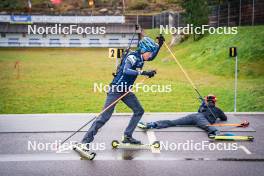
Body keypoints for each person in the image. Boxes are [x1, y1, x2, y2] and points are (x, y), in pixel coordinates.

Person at [78, 36, 165, 150]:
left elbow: (152, 57)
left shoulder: (141, 57)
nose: (150, 55)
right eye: (149, 52)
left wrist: (159, 45)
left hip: (126, 90)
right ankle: (84, 142)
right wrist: (143, 72)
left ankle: (127, 136)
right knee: (103, 118)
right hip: (116, 89)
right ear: (143, 50)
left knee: (139, 111)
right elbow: (126, 70)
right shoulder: (132, 57)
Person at [138, 94, 227, 137]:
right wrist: (216, 115)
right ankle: (215, 132)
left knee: (173, 122)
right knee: (207, 125)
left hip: (194, 117)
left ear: (207, 101)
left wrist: (203, 104)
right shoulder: (218, 110)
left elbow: (199, 111)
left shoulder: (204, 106)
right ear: (214, 101)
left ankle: (152, 124)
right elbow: (224, 118)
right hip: (200, 118)